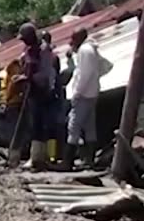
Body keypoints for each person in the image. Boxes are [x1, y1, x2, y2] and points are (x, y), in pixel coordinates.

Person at [65, 27, 113, 169]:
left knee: (74, 126)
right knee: (89, 127)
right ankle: (89, 160)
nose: (71, 42)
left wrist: (77, 93)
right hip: (92, 93)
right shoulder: (92, 49)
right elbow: (104, 67)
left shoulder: (85, 51)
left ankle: (67, 162)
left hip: (84, 94)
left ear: (80, 37)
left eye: (73, 38)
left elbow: (84, 75)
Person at [15, 23, 57, 169]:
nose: (23, 42)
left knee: (39, 123)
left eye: (25, 39)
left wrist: (27, 79)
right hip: (31, 90)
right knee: (33, 123)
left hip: (41, 90)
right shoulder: (29, 50)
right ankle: (36, 155)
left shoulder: (43, 50)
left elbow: (45, 74)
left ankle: (38, 157)